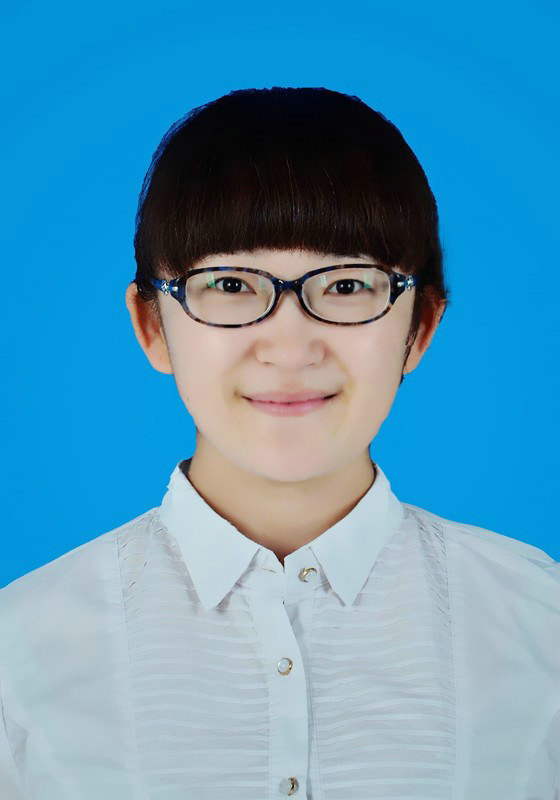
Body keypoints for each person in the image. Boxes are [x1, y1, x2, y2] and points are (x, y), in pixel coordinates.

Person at [0, 87, 558, 799]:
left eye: (347, 285)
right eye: (230, 283)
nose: (291, 347)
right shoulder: (20, 652)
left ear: (420, 327)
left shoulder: (541, 626)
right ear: (151, 326)